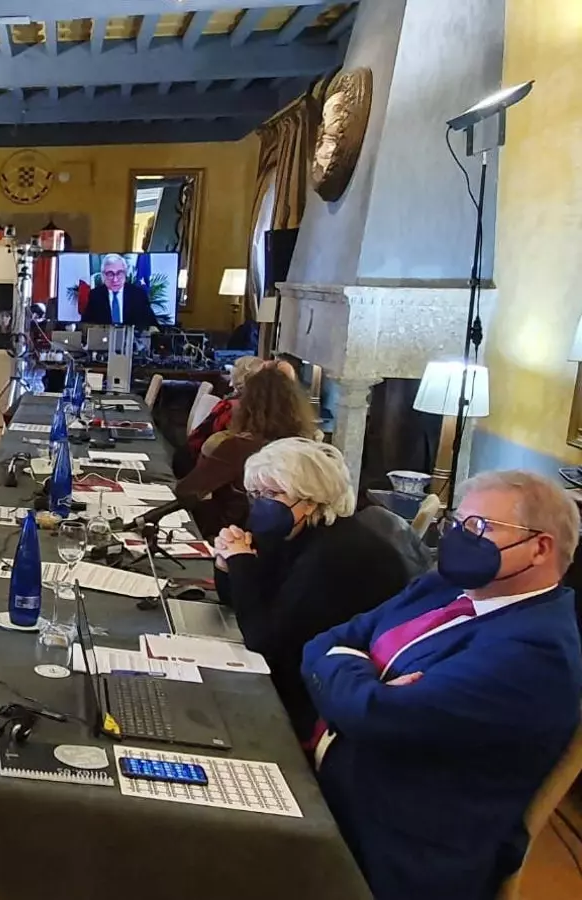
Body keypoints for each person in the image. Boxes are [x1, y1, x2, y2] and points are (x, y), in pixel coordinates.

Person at [302, 470, 582, 900]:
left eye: (479, 527)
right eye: (457, 524)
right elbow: (323, 643)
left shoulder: (536, 651)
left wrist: (353, 672)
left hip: (389, 848)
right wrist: (362, 677)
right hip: (330, 783)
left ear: (540, 547)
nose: (459, 539)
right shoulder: (445, 587)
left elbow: (373, 716)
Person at [212, 438, 410, 738]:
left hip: (316, 697)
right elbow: (237, 599)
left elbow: (264, 639)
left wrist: (241, 562)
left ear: (310, 500)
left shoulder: (335, 554)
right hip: (292, 664)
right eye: (255, 494)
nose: (261, 503)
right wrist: (226, 564)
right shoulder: (290, 531)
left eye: (272, 494)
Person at [175, 366, 315, 538]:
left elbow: (186, 491)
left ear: (247, 405)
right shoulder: (305, 448)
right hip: (288, 537)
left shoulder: (236, 448)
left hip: (231, 534)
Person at [176, 356, 267, 478]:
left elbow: (201, 438)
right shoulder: (269, 408)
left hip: (207, 468)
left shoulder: (229, 407)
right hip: (247, 471)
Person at [81, 254, 157, 327]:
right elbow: (86, 324)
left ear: (125, 273)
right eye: (110, 274)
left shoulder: (138, 294)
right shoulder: (95, 295)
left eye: (119, 273)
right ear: (103, 275)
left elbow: (152, 325)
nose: (115, 279)